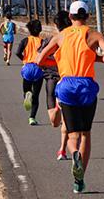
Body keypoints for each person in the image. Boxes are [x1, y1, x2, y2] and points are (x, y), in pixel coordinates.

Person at [35, 1, 104, 194]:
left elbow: (39, 59)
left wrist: (59, 60)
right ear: (87, 16)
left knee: (72, 134)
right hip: (87, 86)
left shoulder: (61, 35)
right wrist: (92, 57)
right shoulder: (94, 34)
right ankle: (79, 182)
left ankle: (74, 153)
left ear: (70, 17)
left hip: (66, 86)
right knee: (86, 133)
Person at [39, 10, 73, 160]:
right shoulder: (74, 41)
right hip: (68, 81)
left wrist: (50, 63)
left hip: (52, 79)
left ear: (55, 25)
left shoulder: (51, 40)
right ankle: (62, 150)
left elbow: (38, 59)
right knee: (60, 122)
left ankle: (62, 150)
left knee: (55, 121)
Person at [15, 19, 47, 126]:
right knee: (36, 96)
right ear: (40, 30)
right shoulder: (42, 42)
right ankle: (32, 118)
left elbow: (18, 52)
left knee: (27, 89)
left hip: (27, 67)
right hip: (38, 68)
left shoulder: (25, 40)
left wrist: (24, 59)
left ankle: (26, 95)